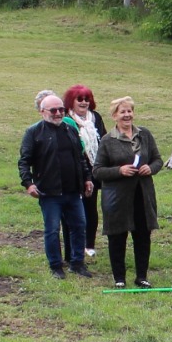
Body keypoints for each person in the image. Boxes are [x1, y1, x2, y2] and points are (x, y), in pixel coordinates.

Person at [17, 91, 95, 278]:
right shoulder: (33, 132)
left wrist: (87, 179)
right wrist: (28, 184)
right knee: (52, 230)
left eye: (61, 109)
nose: (58, 113)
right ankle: (55, 266)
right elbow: (24, 161)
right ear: (42, 112)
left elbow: (80, 158)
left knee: (79, 226)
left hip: (73, 191)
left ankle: (77, 263)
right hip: (49, 193)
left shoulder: (70, 130)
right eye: (54, 110)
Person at [92, 96, 163, 288]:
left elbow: (158, 160)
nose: (127, 115)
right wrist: (119, 170)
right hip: (117, 197)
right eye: (122, 112)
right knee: (117, 236)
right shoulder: (108, 140)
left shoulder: (145, 135)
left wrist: (151, 168)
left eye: (129, 111)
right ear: (114, 116)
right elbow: (97, 171)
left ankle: (142, 277)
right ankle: (119, 279)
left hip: (142, 195)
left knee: (142, 236)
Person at [63, 85, 107, 262]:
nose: (83, 102)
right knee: (72, 209)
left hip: (94, 169)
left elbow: (103, 140)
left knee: (91, 208)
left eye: (86, 99)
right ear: (71, 102)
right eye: (79, 99)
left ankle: (89, 245)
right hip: (74, 171)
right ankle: (73, 247)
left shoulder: (95, 118)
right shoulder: (66, 120)